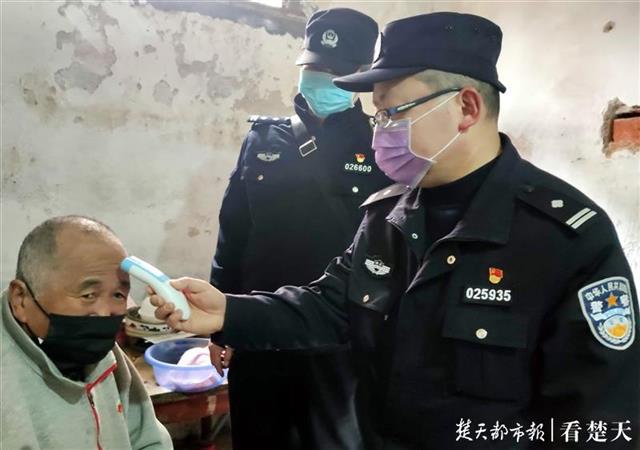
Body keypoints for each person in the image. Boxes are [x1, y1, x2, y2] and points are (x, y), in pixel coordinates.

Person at [153, 12, 639, 449]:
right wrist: (228, 311)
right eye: (379, 113)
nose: (380, 129)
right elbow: (329, 307)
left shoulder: (566, 239)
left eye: (392, 112)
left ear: (467, 108)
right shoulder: (388, 215)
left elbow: (598, 421)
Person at [209, 8, 389, 450]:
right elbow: (233, 235)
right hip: (258, 325)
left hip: (336, 339)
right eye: (315, 67)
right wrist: (221, 326)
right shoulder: (263, 139)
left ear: (362, 77)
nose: (323, 78)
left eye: (338, 71)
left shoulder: (381, 147)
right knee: (256, 437)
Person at [2, 216, 172, 450]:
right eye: (88, 295)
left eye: (118, 295)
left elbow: (148, 439)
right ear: (21, 299)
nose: (104, 314)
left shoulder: (103, 354)